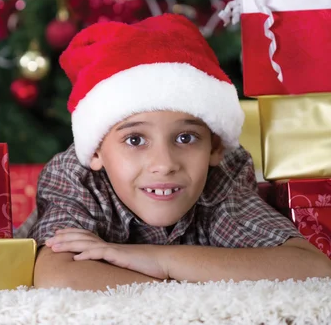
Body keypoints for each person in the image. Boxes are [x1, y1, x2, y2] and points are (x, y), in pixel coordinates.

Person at [30, 14, 331, 290]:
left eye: (186, 138)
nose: (164, 164)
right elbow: (57, 275)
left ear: (214, 147)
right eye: (135, 140)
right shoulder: (76, 175)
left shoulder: (223, 173)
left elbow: (311, 267)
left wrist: (161, 260)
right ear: (96, 151)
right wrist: (188, 287)